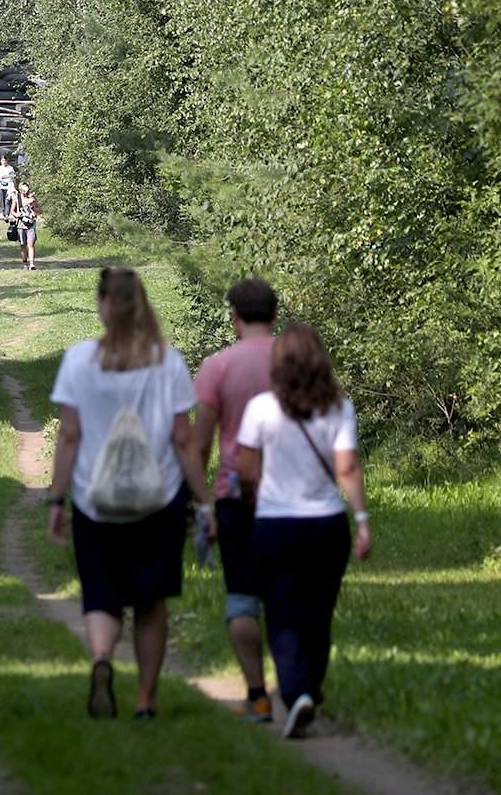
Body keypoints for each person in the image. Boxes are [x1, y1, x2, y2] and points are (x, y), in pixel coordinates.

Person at [47, 267, 215, 720]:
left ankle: (102, 659)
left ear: (103, 307)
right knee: (150, 599)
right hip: (157, 500)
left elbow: (69, 435)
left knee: (101, 592)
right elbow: (183, 440)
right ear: (142, 305)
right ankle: (145, 698)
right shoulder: (169, 362)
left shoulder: (80, 361)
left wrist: (57, 499)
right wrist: (204, 501)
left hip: (93, 500)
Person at [234, 321, 371, 741]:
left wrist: (251, 499)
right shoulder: (338, 407)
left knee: (281, 612)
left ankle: (295, 694)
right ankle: (309, 687)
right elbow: (346, 467)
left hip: (275, 524)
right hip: (326, 525)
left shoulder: (261, 408)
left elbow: (246, 468)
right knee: (318, 612)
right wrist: (362, 519)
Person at [191, 278, 280, 722]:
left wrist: (203, 503)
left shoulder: (217, 367)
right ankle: (298, 686)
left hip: (234, 495)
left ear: (234, 317)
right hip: (294, 498)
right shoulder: (299, 361)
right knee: (286, 594)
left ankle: (258, 693)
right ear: (275, 315)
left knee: (243, 597)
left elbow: (200, 444)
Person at [11, 182, 41, 270]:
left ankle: (32, 264)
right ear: (20, 190)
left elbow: (40, 210)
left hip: (31, 224)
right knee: (23, 244)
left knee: (30, 244)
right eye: (24, 190)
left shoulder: (32, 198)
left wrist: (33, 209)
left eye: (27, 190)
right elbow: (12, 211)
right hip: (21, 224)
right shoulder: (16, 199)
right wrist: (17, 215)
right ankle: (24, 263)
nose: (26, 192)